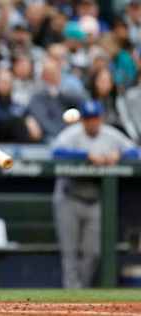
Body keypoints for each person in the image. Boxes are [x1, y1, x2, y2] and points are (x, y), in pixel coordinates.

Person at [52, 101, 139, 288]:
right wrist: (86, 156)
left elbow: (135, 151)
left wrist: (119, 155)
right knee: (70, 252)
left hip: (95, 200)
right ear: (82, 120)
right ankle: (71, 294)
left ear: (101, 118)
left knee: (94, 252)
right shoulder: (72, 134)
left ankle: (80, 291)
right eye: (89, 119)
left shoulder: (110, 134)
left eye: (95, 118)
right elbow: (56, 152)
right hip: (69, 196)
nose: (92, 123)